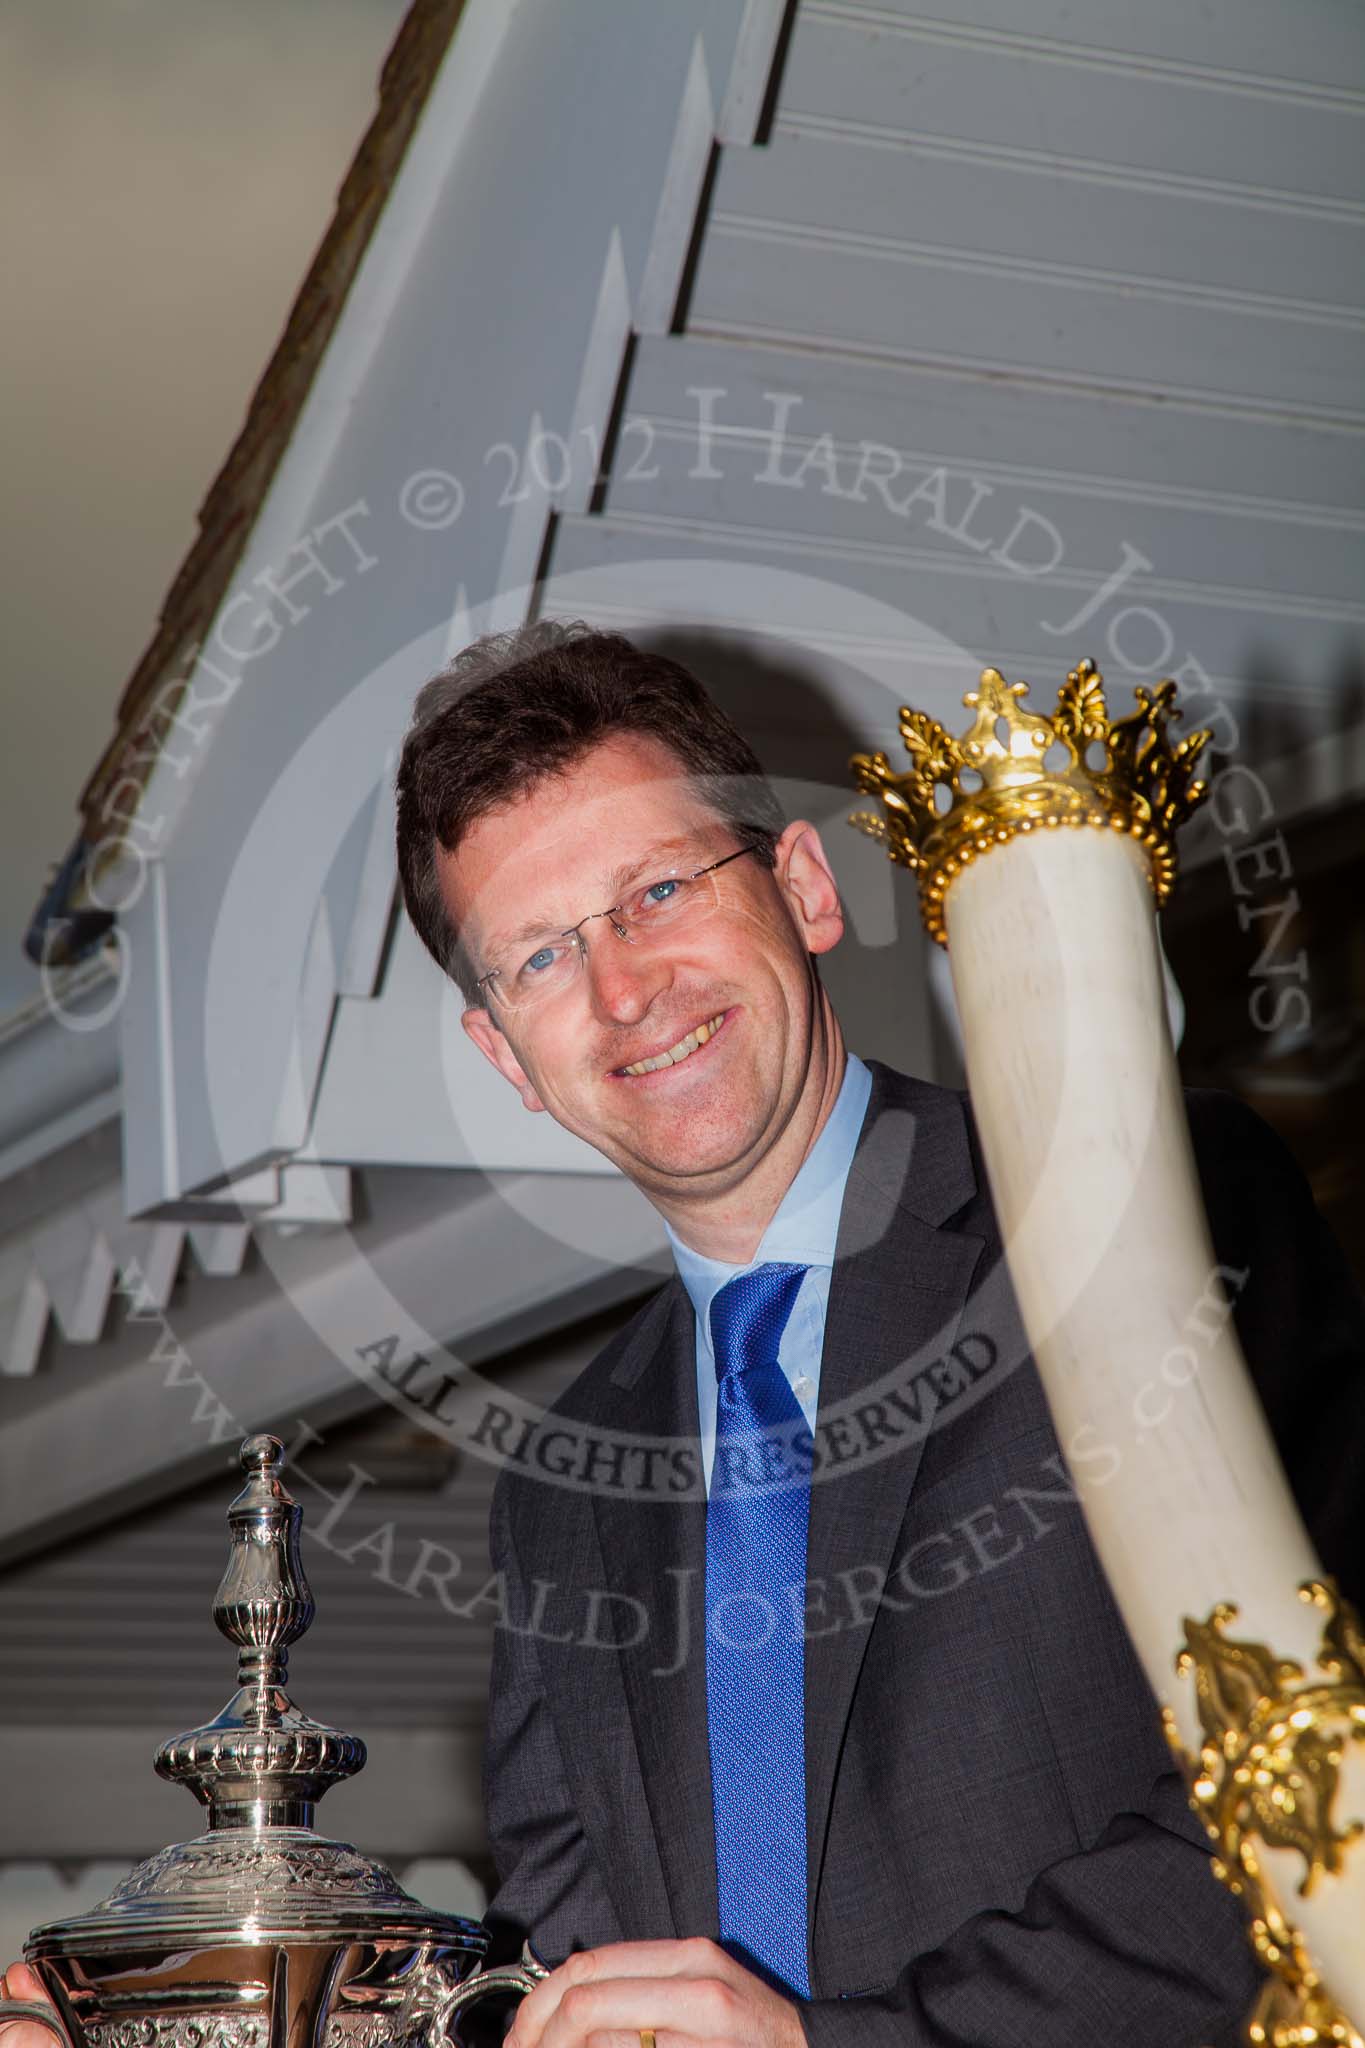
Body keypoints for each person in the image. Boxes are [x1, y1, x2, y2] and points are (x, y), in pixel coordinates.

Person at [3, 623, 1360, 2048]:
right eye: (535, 957)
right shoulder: (554, 1495)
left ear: (804, 888)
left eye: (656, 888)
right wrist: (177, 2020)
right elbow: (571, 1997)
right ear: (503, 1058)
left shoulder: (1139, 1209)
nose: (620, 989)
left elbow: (1310, 1782)